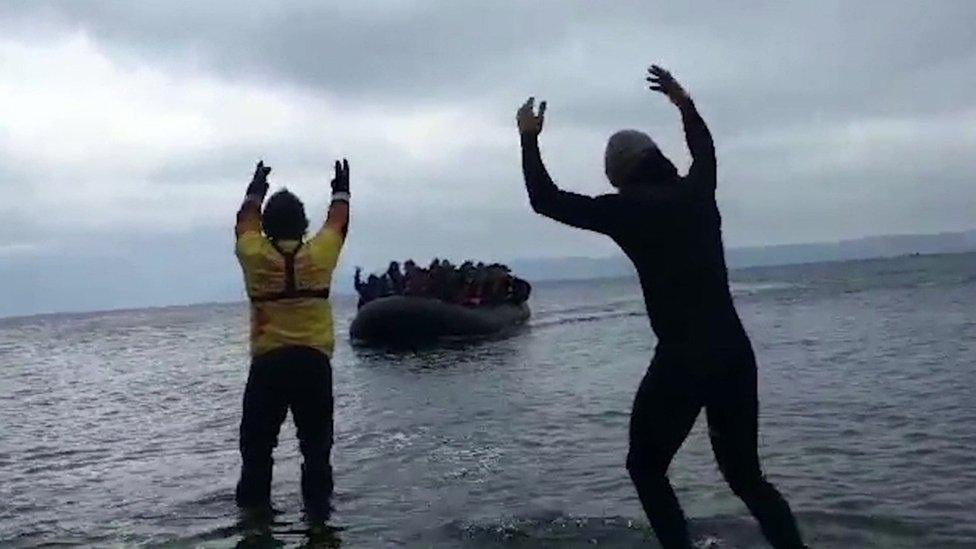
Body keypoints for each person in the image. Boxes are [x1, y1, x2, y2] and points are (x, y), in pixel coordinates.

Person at [517, 65, 806, 549]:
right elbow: (705, 149)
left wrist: (528, 140)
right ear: (656, 159)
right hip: (734, 352)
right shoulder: (697, 192)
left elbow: (544, 200)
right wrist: (683, 102)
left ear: (620, 173)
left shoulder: (625, 210)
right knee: (747, 478)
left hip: (683, 358)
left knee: (645, 467)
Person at [234, 159, 350, 517]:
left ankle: (254, 527)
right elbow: (338, 223)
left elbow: (244, 223)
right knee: (316, 451)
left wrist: (256, 188)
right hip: (313, 363)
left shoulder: (254, 255)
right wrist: (341, 189)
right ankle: (319, 525)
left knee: (256, 452)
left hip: (269, 364)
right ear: (303, 225)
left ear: (268, 226)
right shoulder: (319, 255)